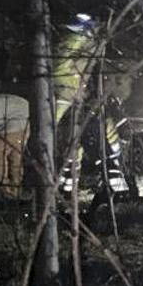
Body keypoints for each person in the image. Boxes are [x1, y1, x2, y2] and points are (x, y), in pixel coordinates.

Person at [53, 12, 129, 195]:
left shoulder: (77, 45)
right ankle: (115, 188)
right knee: (82, 141)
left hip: (74, 97)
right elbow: (63, 69)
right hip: (68, 97)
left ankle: (67, 188)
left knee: (75, 144)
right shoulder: (73, 42)